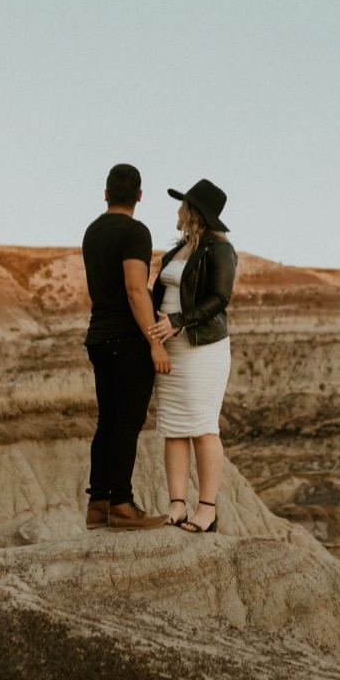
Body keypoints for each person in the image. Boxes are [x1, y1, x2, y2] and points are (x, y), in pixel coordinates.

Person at [82, 164, 171, 530]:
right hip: (127, 340)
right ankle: (121, 503)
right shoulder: (135, 232)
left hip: (99, 337)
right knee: (127, 423)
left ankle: (97, 503)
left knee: (107, 422)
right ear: (139, 195)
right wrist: (155, 343)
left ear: (105, 194)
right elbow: (136, 290)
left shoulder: (92, 231)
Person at [146, 178, 237, 534]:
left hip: (203, 348)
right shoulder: (179, 249)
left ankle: (208, 509)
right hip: (171, 346)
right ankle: (177, 506)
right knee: (173, 426)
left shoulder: (219, 249)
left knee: (202, 427)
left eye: (182, 204)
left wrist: (178, 322)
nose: (177, 210)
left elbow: (219, 298)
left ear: (194, 211)